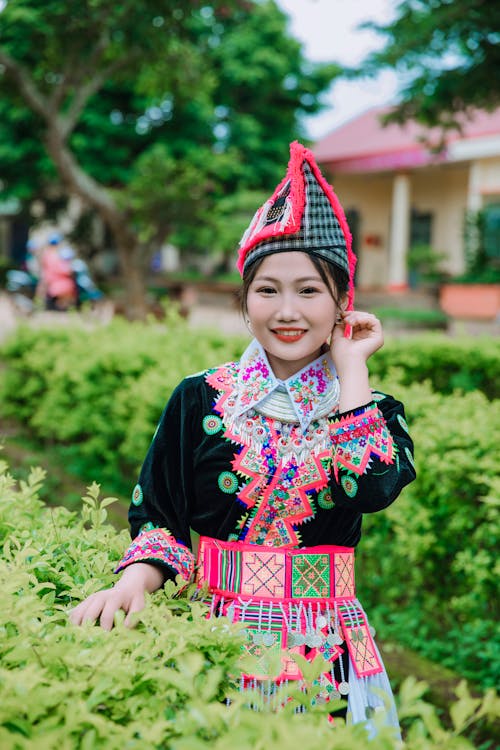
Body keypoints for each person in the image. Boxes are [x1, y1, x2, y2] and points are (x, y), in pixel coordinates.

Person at [70, 142, 416, 732]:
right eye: (267, 290)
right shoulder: (198, 398)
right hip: (208, 642)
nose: (286, 310)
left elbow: (371, 488)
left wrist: (353, 367)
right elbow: (160, 515)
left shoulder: (370, 410)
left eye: (309, 291)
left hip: (324, 654)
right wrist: (134, 579)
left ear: (341, 305)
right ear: (244, 300)